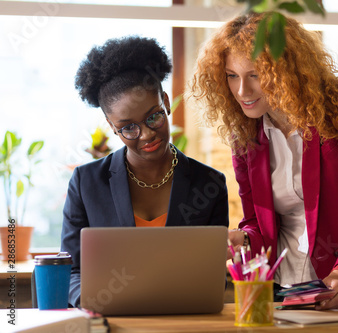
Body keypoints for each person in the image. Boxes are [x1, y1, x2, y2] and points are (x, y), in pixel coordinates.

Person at [189, 13, 338, 309]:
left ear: (284, 70)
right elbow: (259, 223)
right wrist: (242, 239)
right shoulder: (244, 135)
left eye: (254, 74)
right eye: (232, 75)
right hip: (287, 289)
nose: (243, 91)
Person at [61, 36, 229, 308]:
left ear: (165, 101)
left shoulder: (209, 183)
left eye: (154, 116)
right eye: (128, 127)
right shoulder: (86, 182)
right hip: (110, 319)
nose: (147, 135)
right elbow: (70, 270)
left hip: (184, 320)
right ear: (111, 125)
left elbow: (213, 275)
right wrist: (91, 300)